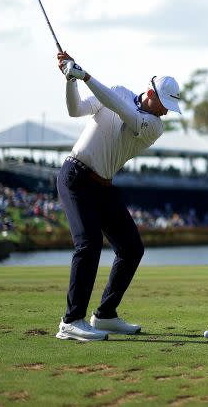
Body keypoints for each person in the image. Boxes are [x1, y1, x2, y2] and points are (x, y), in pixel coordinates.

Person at [53, 51, 181, 342]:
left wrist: (84, 75)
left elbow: (124, 111)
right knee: (88, 244)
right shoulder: (118, 92)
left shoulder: (154, 126)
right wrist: (69, 79)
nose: (166, 112)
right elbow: (75, 110)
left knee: (131, 247)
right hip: (75, 176)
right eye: (164, 104)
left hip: (102, 186)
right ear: (150, 93)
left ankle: (105, 315)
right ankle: (71, 321)